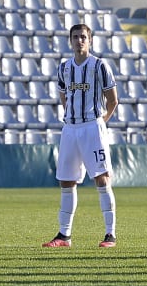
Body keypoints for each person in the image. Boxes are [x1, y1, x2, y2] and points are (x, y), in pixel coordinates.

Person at [42, 23, 119, 248]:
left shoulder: (99, 66)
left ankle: (110, 234)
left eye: (83, 37)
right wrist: (70, 115)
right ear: (70, 40)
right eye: (75, 37)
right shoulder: (64, 67)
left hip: (92, 127)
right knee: (67, 181)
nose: (79, 41)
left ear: (90, 40)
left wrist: (100, 122)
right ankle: (64, 235)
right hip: (70, 129)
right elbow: (63, 95)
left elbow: (113, 99)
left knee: (102, 178)